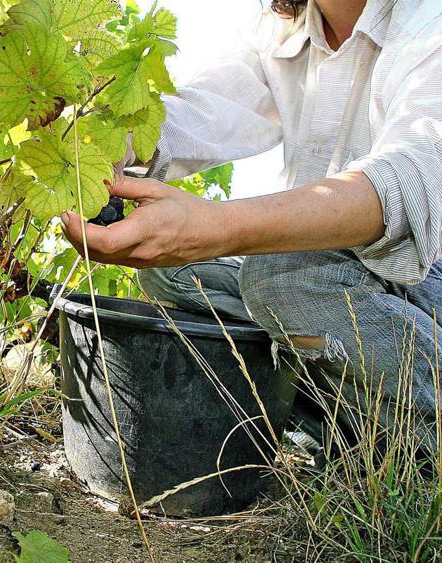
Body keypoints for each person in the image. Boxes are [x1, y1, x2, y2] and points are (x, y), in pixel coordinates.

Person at [60, 0, 442, 447]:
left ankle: (401, 432)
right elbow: (205, 112)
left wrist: (218, 226)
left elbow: (412, 177)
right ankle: (352, 421)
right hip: (343, 274)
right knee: (172, 273)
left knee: (281, 280)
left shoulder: (428, 18)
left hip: (427, 273)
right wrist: (108, 146)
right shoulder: (282, 29)